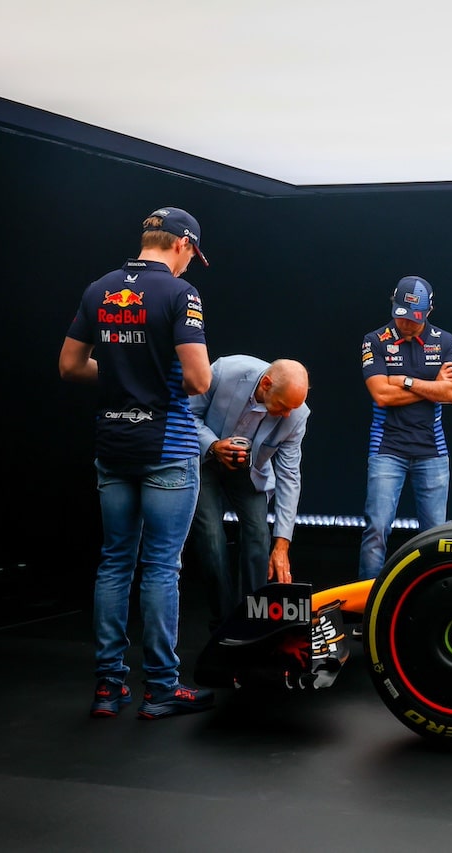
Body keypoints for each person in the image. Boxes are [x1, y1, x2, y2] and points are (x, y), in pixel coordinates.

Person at [58, 206, 217, 720]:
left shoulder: (99, 288)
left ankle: (107, 689)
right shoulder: (180, 294)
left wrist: (120, 378)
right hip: (166, 448)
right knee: (160, 569)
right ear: (182, 245)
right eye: (193, 254)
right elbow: (198, 382)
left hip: (114, 444)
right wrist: (156, 373)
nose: (192, 264)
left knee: (114, 563)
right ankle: (160, 689)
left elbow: (69, 365)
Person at [187, 356, 310, 630]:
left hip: (251, 471)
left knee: (258, 534)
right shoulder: (225, 370)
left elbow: (290, 476)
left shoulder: (297, 414)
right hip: (205, 461)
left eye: (294, 408)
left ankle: (253, 619)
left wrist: (283, 544)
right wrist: (214, 445)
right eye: (283, 406)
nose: (289, 414)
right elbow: (186, 414)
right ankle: (224, 621)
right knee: (210, 536)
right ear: (266, 384)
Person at [358, 275, 452, 580]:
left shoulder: (445, 341)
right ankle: (366, 606)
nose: (405, 324)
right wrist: (433, 386)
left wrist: (403, 380)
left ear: (429, 312)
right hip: (387, 449)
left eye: (413, 319)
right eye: (401, 316)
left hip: (433, 452)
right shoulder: (374, 340)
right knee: (376, 530)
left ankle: (432, 598)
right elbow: (381, 394)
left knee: (435, 537)